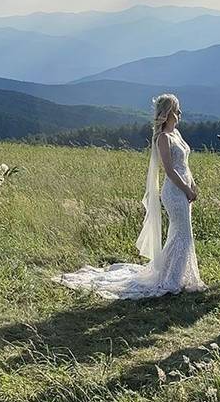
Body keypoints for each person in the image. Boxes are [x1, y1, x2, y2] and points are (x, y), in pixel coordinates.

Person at [55, 94, 206, 299]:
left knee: (179, 234)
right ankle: (171, 279)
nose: (180, 113)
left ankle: (175, 275)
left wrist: (193, 184)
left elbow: (185, 164)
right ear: (169, 112)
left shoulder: (176, 133)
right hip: (174, 191)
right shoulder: (163, 137)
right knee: (183, 235)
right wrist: (187, 190)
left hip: (185, 187)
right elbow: (169, 170)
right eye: (177, 109)